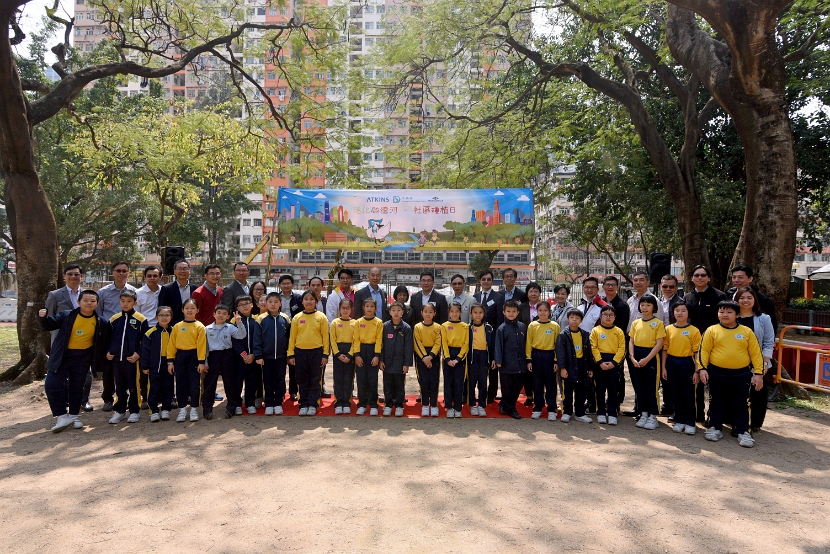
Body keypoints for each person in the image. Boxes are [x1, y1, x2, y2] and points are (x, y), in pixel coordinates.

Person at [38, 290, 110, 433]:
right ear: (78, 302)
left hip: (82, 358)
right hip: (62, 356)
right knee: (52, 385)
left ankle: (74, 415)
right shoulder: (67, 315)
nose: (89, 303)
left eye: (92, 301)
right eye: (85, 300)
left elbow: (105, 341)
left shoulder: (101, 322)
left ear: (97, 304)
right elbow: (48, 325)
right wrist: (42, 317)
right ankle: (62, 416)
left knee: (76, 388)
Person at [699, 300, 764, 448]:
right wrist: (702, 369)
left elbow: (756, 354)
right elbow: (704, 351)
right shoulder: (711, 330)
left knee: (742, 403)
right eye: (721, 311)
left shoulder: (746, 332)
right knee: (716, 400)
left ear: (737, 314)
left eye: (729, 312)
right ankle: (715, 427)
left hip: (741, 374)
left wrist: (758, 374)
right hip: (717, 373)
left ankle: (743, 431)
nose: (725, 315)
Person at [45, 263, 94, 413]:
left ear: (82, 276)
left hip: (84, 342)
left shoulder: (88, 294)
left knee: (86, 373)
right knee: (62, 375)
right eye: (70, 274)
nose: (73, 277)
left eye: (77, 274)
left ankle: (84, 400)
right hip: (63, 343)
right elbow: (49, 320)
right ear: (64, 276)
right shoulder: (55, 295)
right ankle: (66, 402)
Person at [682, 264, 727, 422]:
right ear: (692, 278)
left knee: (714, 383)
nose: (699, 278)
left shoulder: (719, 296)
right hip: (693, 347)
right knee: (696, 381)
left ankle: (714, 416)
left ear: (709, 278)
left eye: (703, 275)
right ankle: (697, 414)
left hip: (714, 345)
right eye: (696, 275)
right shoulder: (687, 297)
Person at [96, 261, 138, 412]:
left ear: (128, 272)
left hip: (129, 334)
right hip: (110, 334)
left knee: (127, 366)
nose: (121, 273)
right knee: (108, 367)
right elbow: (99, 313)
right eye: (118, 270)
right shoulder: (103, 292)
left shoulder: (134, 291)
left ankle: (126, 397)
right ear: (112, 272)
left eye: (124, 271)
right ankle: (108, 398)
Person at [105, 289, 149, 424]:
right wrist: (108, 351)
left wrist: (138, 354)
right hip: (117, 360)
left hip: (132, 360)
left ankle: (134, 411)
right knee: (119, 386)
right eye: (123, 301)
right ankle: (120, 411)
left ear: (135, 303)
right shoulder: (114, 319)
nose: (125, 304)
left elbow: (145, 340)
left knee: (133, 385)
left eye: (129, 301)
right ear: (119, 302)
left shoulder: (141, 319)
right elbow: (107, 338)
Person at [735, 286, 775, 433]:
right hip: (735, 361)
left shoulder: (764, 318)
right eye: (742, 298)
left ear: (755, 300)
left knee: (757, 392)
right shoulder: (732, 317)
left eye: (749, 298)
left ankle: (755, 422)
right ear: (736, 300)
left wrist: (764, 362)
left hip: (758, 362)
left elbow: (769, 341)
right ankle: (735, 420)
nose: (745, 301)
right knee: (736, 393)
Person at [287, 290, 330, 416]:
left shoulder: (321, 317)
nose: (309, 301)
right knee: (302, 379)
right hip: (300, 353)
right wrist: (291, 354)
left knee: (315, 379)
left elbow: (325, 337)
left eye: (311, 299)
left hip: (316, 352)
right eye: (306, 299)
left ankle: (313, 404)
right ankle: (303, 404)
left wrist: (325, 354)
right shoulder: (297, 317)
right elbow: (292, 337)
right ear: (302, 302)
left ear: (316, 301)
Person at [661, 301, 701, 435]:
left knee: (688, 394)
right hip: (672, 362)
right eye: (677, 310)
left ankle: (690, 422)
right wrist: (664, 367)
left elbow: (697, 353)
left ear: (688, 313)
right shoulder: (668, 329)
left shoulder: (694, 331)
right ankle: (679, 420)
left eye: (683, 310)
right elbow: (664, 349)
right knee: (675, 393)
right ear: (673, 313)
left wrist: (697, 371)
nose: (680, 313)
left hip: (687, 363)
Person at [628, 296, 666, 430]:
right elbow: (631, 341)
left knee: (651, 387)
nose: (645, 307)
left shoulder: (658, 323)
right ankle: (643, 413)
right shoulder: (636, 323)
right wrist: (632, 357)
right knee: (640, 386)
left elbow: (659, 344)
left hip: (651, 356)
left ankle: (653, 416)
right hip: (637, 355)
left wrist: (647, 359)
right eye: (642, 304)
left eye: (648, 305)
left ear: (654, 307)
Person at [203, 304, 246, 420]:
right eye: (219, 313)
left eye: (224, 314)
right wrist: (205, 362)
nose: (221, 315)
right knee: (210, 383)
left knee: (229, 382)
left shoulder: (230, 327)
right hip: (213, 356)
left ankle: (231, 407)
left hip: (227, 355)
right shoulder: (207, 329)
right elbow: (205, 347)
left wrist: (239, 322)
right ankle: (207, 408)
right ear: (214, 314)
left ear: (228, 316)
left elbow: (241, 335)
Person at [167, 298, 207, 423]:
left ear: (197, 310)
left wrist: (201, 362)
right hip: (180, 356)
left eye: (192, 308)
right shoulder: (177, 326)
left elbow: (202, 345)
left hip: (194, 356)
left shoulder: (200, 326)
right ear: (182, 310)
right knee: (181, 383)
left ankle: (194, 409)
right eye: (187, 308)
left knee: (194, 384)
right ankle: (182, 409)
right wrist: (170, 361)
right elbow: (171, 344)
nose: (190, 310)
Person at [590, 305, 627, 426]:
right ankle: (601, 412)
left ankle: (612, 413)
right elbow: (593, 347)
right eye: (605, 315)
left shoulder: (619, 331)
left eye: (611, 315)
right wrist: (600, 362)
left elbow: (622, 348)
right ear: (601, 316)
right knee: (599, 389)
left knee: (613, 390)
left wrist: (614, 362)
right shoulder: (595, 331)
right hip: (599, 363)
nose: (608, 317)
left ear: (615, 317)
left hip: (614, 364)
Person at [256, 293, 291, 415]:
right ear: (266, 303)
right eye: (270, 301)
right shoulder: (261, 319)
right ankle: (269, 403)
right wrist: (259, 355)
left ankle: (278, 402)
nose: (273, 304)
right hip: (267, 357)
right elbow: (257, 339)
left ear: (280, 303)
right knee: (268, 381)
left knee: (280, 380)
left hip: (281, 357)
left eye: (276, 302)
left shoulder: (285, 318)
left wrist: (289, 355)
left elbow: (289, 338)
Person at [525, 301, 560, 421]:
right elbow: (529, 342)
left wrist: (556, 360)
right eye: (540, 310)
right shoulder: (532, 325)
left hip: (550, 355)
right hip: (536, 355)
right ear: (537, 312)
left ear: (549, 312)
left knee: (551, 384)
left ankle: (552, 409)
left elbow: (557, 345)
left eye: (545, 310)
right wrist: (529, 359)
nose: (543, 313)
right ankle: (537, 407)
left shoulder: (555, 326)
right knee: (537, 383)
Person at [556, 309, 593, 423]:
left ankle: (579, 413)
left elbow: (589, 353)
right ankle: (567, 412)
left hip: (582, 365)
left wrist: (590, 368)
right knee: (567, 391)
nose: (574, 320)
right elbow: (560, 353)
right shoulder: (563, 335)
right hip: (569, 365)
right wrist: (562, 368)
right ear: (568, 319)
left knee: (581, 390)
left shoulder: (585, 334)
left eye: (577, 318)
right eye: (572, 318)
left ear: (581, 320)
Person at [140, 306, 174, 422]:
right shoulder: (150, 332)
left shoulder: (174, 331)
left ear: (171, 317)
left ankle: (166, 409)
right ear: (156, 317)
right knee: (154, 387)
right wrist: (145, 366)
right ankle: (153, 410)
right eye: (161, 315)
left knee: (168, 387)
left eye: (167, 315)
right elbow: (145, 351)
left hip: (169, 363)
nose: (164, 318)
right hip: (154, 364)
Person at [135, 264, 162, 408]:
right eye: (149, 276)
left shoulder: (164, 291)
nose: (152, 278)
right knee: (145, 365)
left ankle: (163, 395)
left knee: (162, 364)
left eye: (155, 275)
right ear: (144, 277)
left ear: (160, 277)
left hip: (162, 330)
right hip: (146, 331)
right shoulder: (138, 293)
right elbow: (136, 315)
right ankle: (145, 396)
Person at [494, 300, 527, 419]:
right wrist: (498, 361)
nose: (511, 313)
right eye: (508, 311)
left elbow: (526, 344)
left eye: (514, 311)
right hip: (506, 364)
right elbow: (498, 345)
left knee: (517, 387)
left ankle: (504, 404)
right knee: (507, 388)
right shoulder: (501, 328)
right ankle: (511, 409)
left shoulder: (522, 327)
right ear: (504, 312)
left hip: (520, 364)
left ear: (518, 312)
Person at [474, 270, 503, 403]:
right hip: (477, 336)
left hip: (492, 336)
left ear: (492, 281)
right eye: (483, 279)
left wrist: (496, 337)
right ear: (480, 281)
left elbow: (499, 319)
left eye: (488, 279)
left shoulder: (498, 297)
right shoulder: (475, 296)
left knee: (492, 366)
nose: (486, 281)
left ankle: (491, 394)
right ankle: (478, 393)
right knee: (478, 366)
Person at [602, 275, 630, 410]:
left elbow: (622, 328)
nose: (610, 287)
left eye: (613, 285)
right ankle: (600, 402)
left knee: (617, 374)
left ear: (617, 287)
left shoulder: (622, 306)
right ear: (603, 287)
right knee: (601, 374)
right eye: (608, 284)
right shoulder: (600, 303)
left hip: (616, 346)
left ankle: (616, 402)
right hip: (601, 345)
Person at [381, 302, 413, 417]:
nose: (396, 312)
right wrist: (381, 360)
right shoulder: (384, 327)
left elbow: (408, 348)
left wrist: (406, 364)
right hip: (387, 363)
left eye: (399, 310)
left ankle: (399, 405)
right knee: (387, 385)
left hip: (400, 363)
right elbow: (381, 345)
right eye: (393, 310)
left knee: (400, 385)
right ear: (389, 312)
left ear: (402, 312)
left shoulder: (406, 328)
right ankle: (388, 405)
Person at [658, 274, 684, 417]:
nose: (668, 289)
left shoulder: (681, 303)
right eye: (665, 286)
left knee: (674, 379)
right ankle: (667, 405)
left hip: (674, 344)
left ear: (676, 287)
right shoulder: (657, 301)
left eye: (671, 286)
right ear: (661, 286)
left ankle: (676, 408)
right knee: (664, 376)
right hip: (658, 343)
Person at [231, 295, 261, 415]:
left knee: (252, 382)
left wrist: (253, 354)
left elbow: (258, 340)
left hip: (253, 358)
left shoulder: (256, 321)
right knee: (237, 382)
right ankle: (238, 404)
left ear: (252, 305)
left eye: (247, 303)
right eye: (241, 305)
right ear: (237, 308)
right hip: (239, 359)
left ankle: (250, 403)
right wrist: (244, 355)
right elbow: (235, 341)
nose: (244, 306)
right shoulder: (235, 322)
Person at [352, 298, 384, 415]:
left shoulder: (378, 322)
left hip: (373, 351)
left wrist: (376, 355)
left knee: (372, 379)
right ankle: (362, 404)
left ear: (376, 308)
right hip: (361, 350)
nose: (369, 308)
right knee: (361, 379)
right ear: (363, 308)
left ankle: (374, 404)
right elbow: (356, 339)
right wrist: (357, 355)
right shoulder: (358, 322)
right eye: (367, 306)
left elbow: (379, 340)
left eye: (372, 306)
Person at [727, 265, 778, 330]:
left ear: (750, 279)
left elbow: (771, 324)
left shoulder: (761, 299)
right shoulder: (728, 294)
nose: (736, 280)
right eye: (734, 277)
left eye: (740, 277)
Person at [414, 302, 442, 417]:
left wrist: (430, 356)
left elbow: (438, 342)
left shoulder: (438, 327)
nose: (428, 314)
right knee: (424, 380)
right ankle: (425, 404)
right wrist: (424, 357)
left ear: (434, 313)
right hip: (421, 356)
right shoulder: (417, 327)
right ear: (421, 313)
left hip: (433, 356)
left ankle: (434, 405)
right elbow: (417, 343)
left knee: (434, 381)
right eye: (425, 312)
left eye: (430, 312)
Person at [441, 302, 469, 418]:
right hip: (448, 355)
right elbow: (444, 343)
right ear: (449, 312)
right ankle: (448, 407)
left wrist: (458, 359)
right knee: (448, 382)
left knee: (459, 383)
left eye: (457, 311)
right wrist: (447, 359)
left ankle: (458, 408)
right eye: (452, 311)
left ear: (461, 312)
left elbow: (466, 343)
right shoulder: (444, 326)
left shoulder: (465, 326)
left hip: (460, 357)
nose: (454, 314)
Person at [519, 282, 545, 406]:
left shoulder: (544, 307)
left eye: (536, 291)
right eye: (531, 291)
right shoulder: (521, 307)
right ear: (527, 293)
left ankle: (540, 395)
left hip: (541, 343)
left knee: (540, 372)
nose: (533, 294)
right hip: (525, 343)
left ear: (539, 293)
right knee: (527, 372)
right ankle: (529, 395)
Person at [467, 303, 495, 417]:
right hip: (473, 357)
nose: (478, 315)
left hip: (484, 356)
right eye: (475, 313)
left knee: (483, 382)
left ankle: (482, 405)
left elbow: (492, 345)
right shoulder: (468, 328)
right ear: (471, 314)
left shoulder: (488, 328)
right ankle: (473, 404)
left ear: (484, 314)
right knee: (471, 382)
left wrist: (493, 358)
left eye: (480, 313)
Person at [278, 274, 302, 400]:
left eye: (288, 283)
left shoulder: (298, 298)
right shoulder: (276, 298)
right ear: (279, 285)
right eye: (283, 283)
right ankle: (280, 391)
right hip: (279, 333)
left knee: (293, 364)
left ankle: (293, 391)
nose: (286, 285)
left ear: (292, 284)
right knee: (280, 365)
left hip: (295, 333)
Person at [330, 298, 356, 414]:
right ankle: (338, 402)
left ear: (351, 309)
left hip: (350, 352)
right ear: (339, 309)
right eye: (343, 308)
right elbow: (332, 339)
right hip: (338, 353)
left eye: (347, 308)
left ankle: (347, 402)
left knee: (348, 378)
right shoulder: (335, 323)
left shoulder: (355, 323)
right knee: (338, 378)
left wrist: (350, 354)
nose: (345, 310)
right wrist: (337, 354)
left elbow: (356, 340)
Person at [157, 260, 197, 326]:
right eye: (179, 269)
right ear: (174, 271)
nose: (182, 271)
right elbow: (162, 308)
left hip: (192, 324)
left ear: (189, 271)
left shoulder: (195, 288)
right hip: (173, 325)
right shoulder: (166, 289)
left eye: (185, 269)